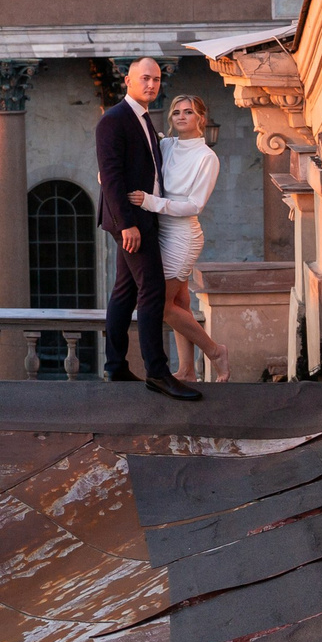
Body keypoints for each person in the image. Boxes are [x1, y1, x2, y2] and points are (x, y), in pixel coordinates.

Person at [96, 58, 203, 400]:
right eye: (145, 78)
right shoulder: (113, 120)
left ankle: (115, 366)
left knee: (124, 291)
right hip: (130, 219)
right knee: (153, 290)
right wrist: (127, 223)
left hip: (143, 216)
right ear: (127, 79)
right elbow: (110, 176)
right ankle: (157, 372)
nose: (152, 85)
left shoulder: (144, 119)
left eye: (156, 79)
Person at [132, 94, 229, 382]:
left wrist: (151, 203)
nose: (181, 116)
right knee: (181, 305)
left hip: (182, 237)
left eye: (188, 112)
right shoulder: (166, 145)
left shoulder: (207, 158)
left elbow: (195, 204)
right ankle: (187, 370)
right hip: (160, 232)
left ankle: (215, 352)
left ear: (201, 117)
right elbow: (140, 163)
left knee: (160, 305)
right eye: (176, 112)